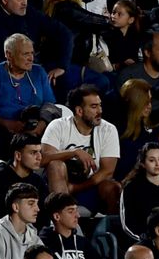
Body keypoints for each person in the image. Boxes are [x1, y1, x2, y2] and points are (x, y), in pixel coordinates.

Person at [41, 85, 121, 214]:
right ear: (79, 111)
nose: (100, 111)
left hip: (89, 185)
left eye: (100, 105)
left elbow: (107, 171)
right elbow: (43, 158)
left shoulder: (108, 129)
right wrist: (74, 152)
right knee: (56, 165)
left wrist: (75, 188)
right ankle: (62, 218)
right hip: (60, 183)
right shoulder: (58, 125)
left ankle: (110, 229)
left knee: (112, 187)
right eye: (94, 107)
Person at [0, 183, 41, 259]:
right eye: (31, 204)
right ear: (16, 207)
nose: (37, 209)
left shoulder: (35, 239)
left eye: (37, 204)